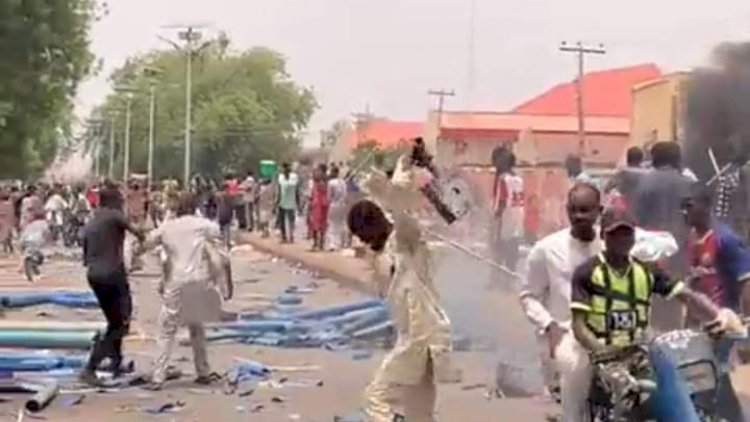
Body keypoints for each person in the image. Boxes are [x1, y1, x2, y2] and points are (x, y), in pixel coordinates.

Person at [569, 207, 745, 422]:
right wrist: (600, 350)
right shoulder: (587, 273)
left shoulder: (646, 271)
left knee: (684, 406)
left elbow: (686, 295)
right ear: (603, 236)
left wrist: (718, 316)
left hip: (642, 353)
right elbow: (579, 325)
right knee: (582, 391)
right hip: (603, 359)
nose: (622, 239)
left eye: (627, 233)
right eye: (615, 233)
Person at [349, 158, 459, 422]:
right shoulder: (386, 251)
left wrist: (398, 177)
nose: (363, 241)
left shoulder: (404, 240)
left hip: (419, 339)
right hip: (421, 338)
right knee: (420, 414)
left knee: (375, 397)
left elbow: (399, 208)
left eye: (363, 234)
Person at [519, 183, 604, 418]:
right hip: (568, 336)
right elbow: (528, 296)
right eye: (574, 210)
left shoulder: (612, 245)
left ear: (600, 211)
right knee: (576, 377)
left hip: (611, 334)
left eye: (586, 210)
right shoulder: (546, 249)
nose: (579, 217)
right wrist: (549, 325)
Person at [139, 192, 231, 390]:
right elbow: (219, 237)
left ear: (175, 208)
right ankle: (203, 372)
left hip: (177, 281)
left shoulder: (167, 228)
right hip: (199, 280)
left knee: (166, 329)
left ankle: (158, 377)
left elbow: (146, 243)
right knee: (196, 327)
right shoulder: (203, 225)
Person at [682, 184, 750, 421]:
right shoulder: (693, 237)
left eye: (689, 206)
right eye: (683, 207)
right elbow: (694, 282)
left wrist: (745, 324)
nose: (685, 212)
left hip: (724, 321)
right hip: (701, 323)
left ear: (706, 206)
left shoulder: (726, 240)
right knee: (704, 378)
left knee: (718, 375)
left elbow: (745, 281)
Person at [78, 185, 144, 386]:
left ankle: (116, 361)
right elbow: (139, 233)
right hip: (113, 273)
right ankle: (90, 368)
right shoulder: (115, 216)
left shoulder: (91, 222)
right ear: (116, 201)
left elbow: (85, 257)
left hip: (94, 275)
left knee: (114, 320)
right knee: (120, 323)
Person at [634, 141, 694, 331]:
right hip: (679, 248)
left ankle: (656, 335)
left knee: (652, 295)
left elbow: (636, 217)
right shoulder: (688, 184)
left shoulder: (643, 183)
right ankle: (673, 335)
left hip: (650, 249)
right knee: (675, 294)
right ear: (677, 159)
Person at [492, 150, 524, 284]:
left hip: (506, 216)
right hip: (518, 215)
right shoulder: (519, 179)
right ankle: (511, 277)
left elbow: (502, 200)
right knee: (513, 247)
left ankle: (500, 279)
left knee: (499, 247)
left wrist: (496, 217)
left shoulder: (503, 179)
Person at [604, 146, 646, 212]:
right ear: (641, 159)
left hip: (625, 209)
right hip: (642, 208)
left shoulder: (622, 173)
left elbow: (607, 189)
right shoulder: (647, 174)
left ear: (628, 159)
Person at [19, 209, 51, 282]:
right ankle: (32, 274)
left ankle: (33, 274)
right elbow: (47, 233)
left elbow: (24, 234)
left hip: (29, 241)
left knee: (29, 258)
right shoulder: (44, 223)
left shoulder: (31, 224)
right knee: (31, 259)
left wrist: (21, 243)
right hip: (37, 242)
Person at [277, 162, 300, 243]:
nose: (285, 170)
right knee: (282, 220)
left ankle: (291, 236)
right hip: (282, 202)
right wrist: (277, 201)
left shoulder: (294, 177)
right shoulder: (280, 177)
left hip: (291, 202)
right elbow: (279, 190)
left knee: (291, 220)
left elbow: (296, 190)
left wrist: (298, 202)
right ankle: (284, 237)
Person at [327, 165, 347, 251]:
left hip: (334, 204)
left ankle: (333, 244)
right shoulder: (343, 182)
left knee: (332, 224)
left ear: (334, 172)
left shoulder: (331, 183)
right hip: (342, 205)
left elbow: (329, 196)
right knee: (341, 224)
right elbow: (345, 195)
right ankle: (341, 243)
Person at [309, 165, 329, 251]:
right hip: (321, 204)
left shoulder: (320, 183)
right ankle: (320, 243)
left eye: (319, 170)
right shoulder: (323, 182)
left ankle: (317, 243)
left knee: (316, 224)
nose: (317, 172)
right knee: (320, 225)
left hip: (319, 205)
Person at [0, 189, 15, 254]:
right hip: (9, 221)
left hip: (2, 221)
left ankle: (6, 248)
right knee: (8, 236)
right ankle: (10, 248)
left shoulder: (1, 204)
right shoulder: (10, 204)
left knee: (4, 235)